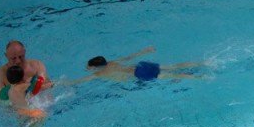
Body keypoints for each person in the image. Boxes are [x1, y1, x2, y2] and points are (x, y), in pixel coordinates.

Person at [62, 46, 207, 84]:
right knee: (173, 66)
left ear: (95, 67)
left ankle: (200, 77)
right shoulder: (112, 62)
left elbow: (80, 81)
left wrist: (64, 82)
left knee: (171, 75)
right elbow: (129, 57)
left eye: (89, 66)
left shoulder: (100, 74)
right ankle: (203, 63)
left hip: (139, 74)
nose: (88, 68)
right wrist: (145, 51)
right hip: (141, 65)